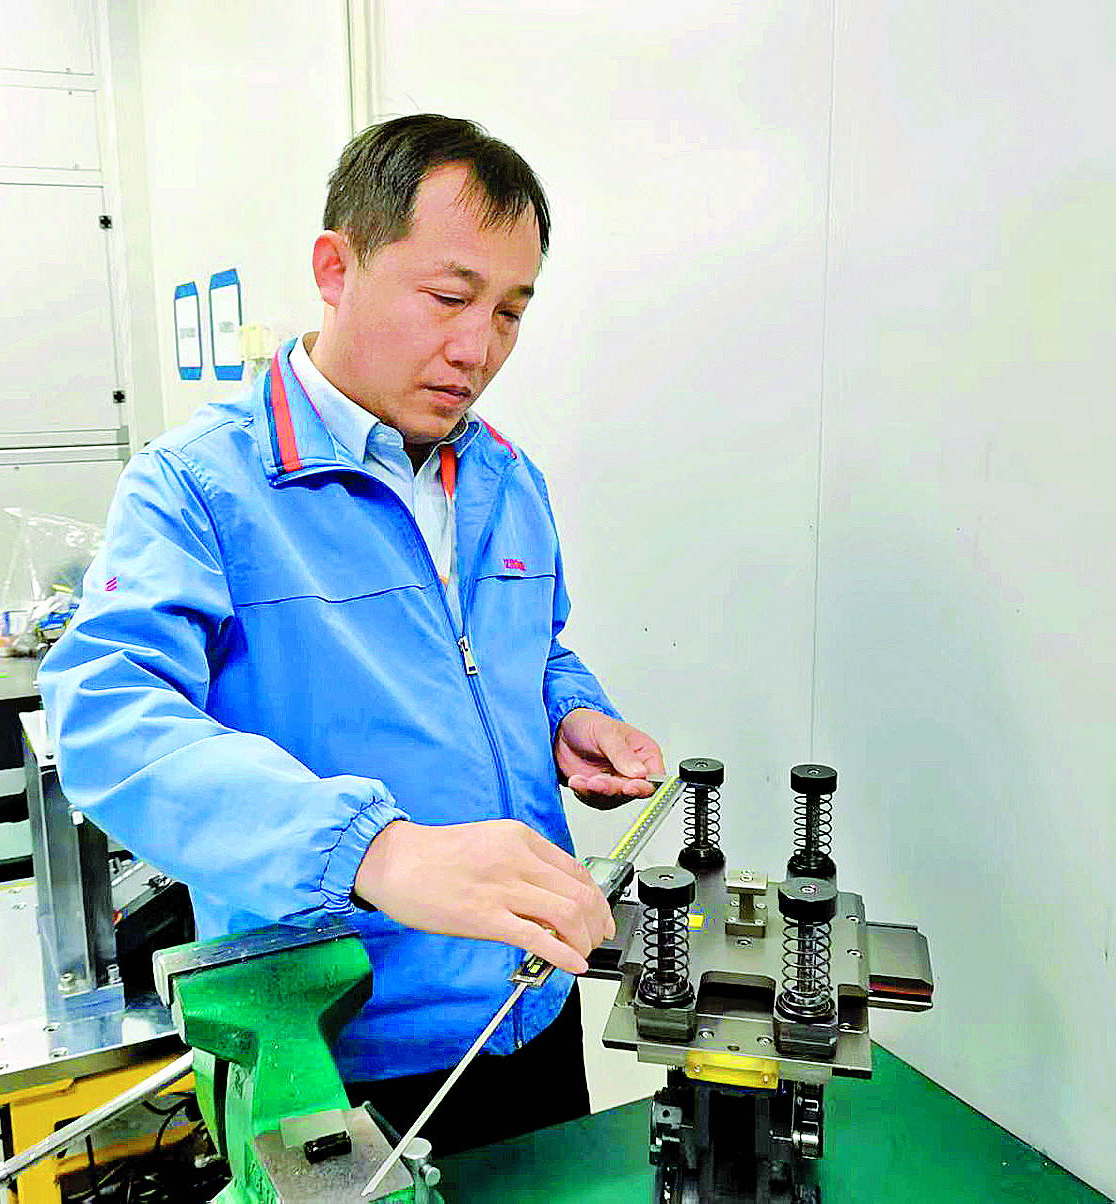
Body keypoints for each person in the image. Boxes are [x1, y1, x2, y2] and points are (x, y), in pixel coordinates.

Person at [39, 113, 665, 1155]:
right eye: (449, 298)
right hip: (338, 1043)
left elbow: (529, 649)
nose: (477, 349)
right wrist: (371, 848)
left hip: (530, 1003)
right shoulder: (202, 487)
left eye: (510, 313)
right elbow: (106, 718)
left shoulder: (506, 479)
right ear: (336, 268)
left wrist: (570, 712)